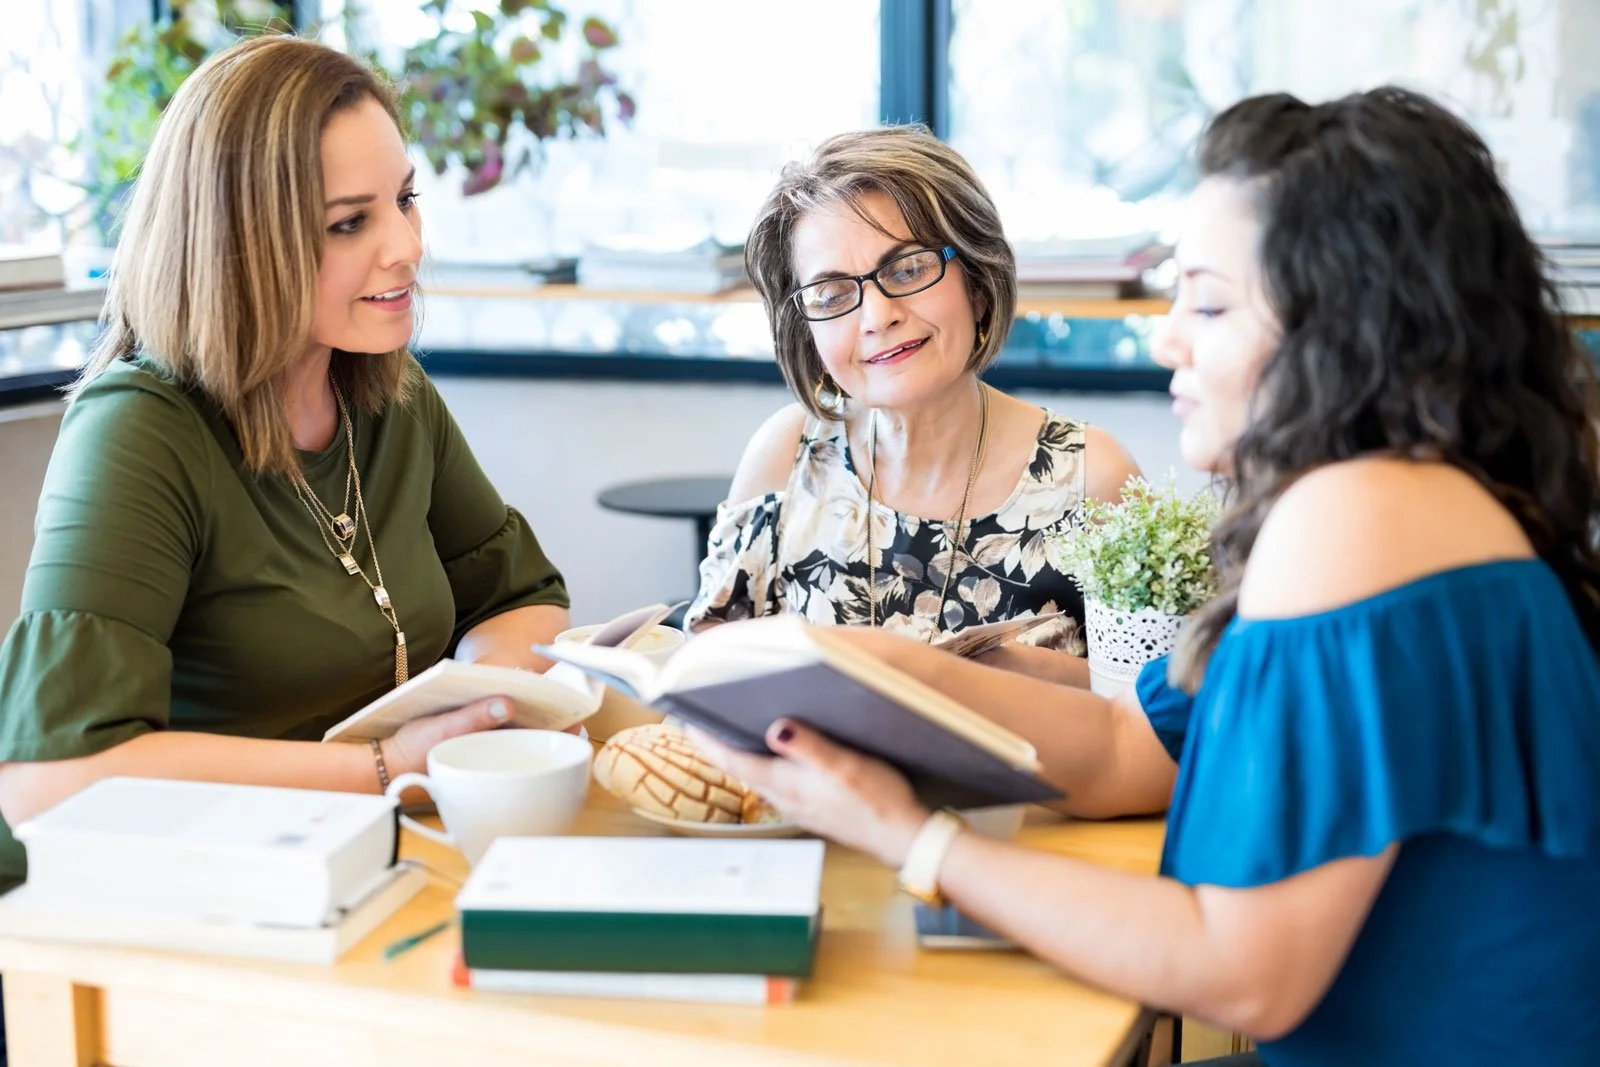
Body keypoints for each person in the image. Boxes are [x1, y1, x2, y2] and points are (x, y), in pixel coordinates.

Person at [687, 87, 1600, 1065]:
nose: (1166, 336)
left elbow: (1243, 970)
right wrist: (867, 662)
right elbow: (1127, 746)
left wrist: (910, 835)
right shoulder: (1410, 502)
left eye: (1206, 301)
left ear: (1344, 324)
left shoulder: (1353, 518)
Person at [0, 35, 574, 891]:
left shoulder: (391, 392)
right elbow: (48, 782)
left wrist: (485, 707)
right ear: (236, 241)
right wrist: (386, 766)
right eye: (350, 222)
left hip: (357, 858)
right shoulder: (139, 431)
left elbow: (522, 597)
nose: (407, 246)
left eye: (405, 199)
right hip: (162, 896)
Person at [684, 127, 1142, 686]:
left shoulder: (1090, 476)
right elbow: (704, 671)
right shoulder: (786, 456)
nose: (877, 317)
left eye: (908, 269)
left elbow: (1154, 719)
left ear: (976, 279)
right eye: (832, 295)